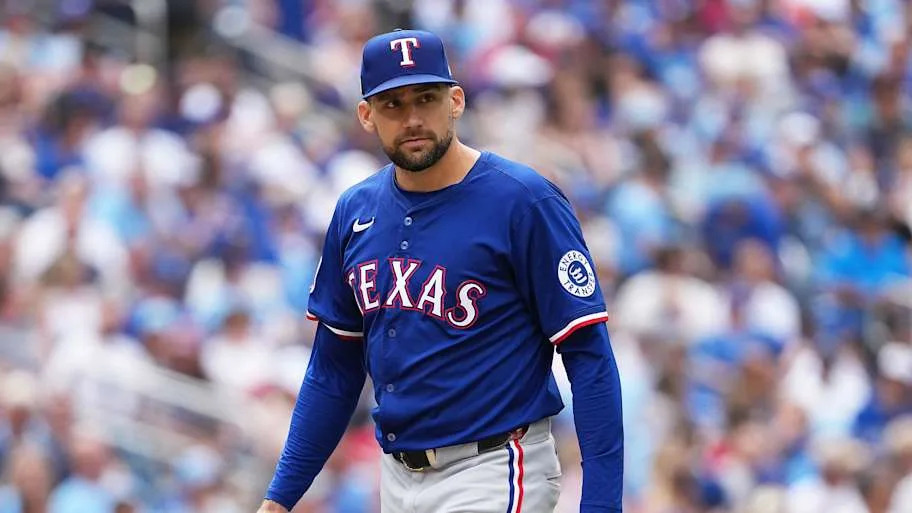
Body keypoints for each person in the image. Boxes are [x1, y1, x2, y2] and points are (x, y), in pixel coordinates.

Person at [258, 28, 623, 513]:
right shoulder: (354, 211)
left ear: (456, 100)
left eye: (425, 98)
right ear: (366, 115)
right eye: (392, 104)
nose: (412, 118)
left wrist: (601, 506)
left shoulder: (522, 201)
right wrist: (279, 498)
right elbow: (333, 369)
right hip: (396, 477)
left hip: (494, 465)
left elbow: (588, 357)